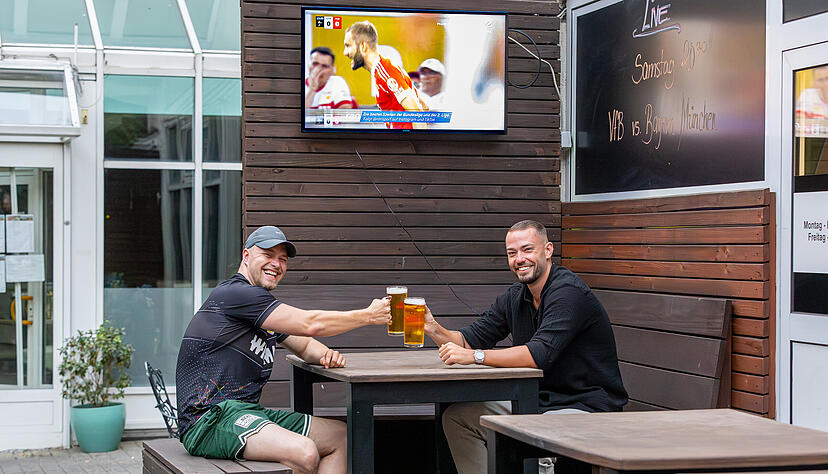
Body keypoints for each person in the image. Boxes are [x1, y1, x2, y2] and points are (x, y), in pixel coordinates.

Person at [175, 225, 390, 474]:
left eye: (282, 259)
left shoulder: (260, 310)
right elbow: (310, 324)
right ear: (246, 256)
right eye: (268, 255)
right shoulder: (237, 293)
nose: (276, 264)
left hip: (247, 413)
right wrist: (366, 316)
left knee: (340, 436)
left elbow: (306, 343)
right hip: (208, 421)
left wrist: (325, 354)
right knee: (304, 452)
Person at [425, 220, 628, 474]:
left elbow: (538, 355)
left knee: (537, 435)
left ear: (548, 250)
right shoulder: (515, 296)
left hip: (584, 405)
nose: (519, 259)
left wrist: (476, 357)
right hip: (536, 401)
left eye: (527, 250)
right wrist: (433, 328)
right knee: (459, 418)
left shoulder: (568, 293)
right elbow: (469, 339)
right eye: (512, 253)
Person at [342, 21, 428, 130]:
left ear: (363, 46)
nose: (345, 52)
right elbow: (423, 106)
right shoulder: (382, 70)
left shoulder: (385, 71)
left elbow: (418, 114)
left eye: (348, 45)